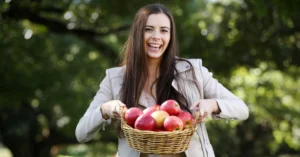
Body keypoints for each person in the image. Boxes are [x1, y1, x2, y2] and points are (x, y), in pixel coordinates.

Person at [75, 3, 249, 157]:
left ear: (170, 36)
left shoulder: (192, 71)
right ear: (137, 34)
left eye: (164, 30)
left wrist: (212, 105)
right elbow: (81, 133)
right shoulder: (115, 79)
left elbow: (242, 109)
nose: (156, 36)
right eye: (148, 29)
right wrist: (105, 110)